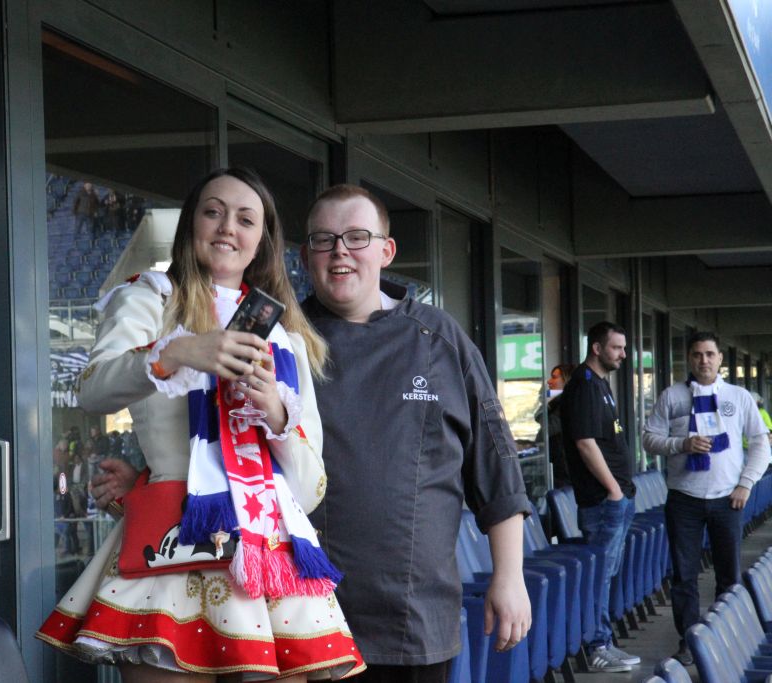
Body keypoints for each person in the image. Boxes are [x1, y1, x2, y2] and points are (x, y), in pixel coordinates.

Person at [93, 184, 532, 682]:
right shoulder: (278, 333)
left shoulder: (439, 338)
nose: (340, 252)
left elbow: (495, 467)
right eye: (324, 240)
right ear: (304, 257)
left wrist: (510, 575)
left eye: (357, 237)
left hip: (409, 613)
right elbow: (222, 439)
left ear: (386, 251)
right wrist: (152, 480)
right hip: (287, 600)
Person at [37, 168, 363, 681]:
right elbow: (94, 389)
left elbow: (308, 488)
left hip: (270, 552)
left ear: (262, 241)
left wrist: (276, 414)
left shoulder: (289, 337)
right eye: (213, 212)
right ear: (191, 223)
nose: (228, 227)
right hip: (174, 549)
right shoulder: (149, 298)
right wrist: (177, 353)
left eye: (246, 219)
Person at [643, 331, 771, 665]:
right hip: (683, 498)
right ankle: (689, 641)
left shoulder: (738, 397)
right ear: (689, 358)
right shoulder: (672, 396)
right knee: (684, 575)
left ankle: (726, 639)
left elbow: (761, 443)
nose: (704, 360)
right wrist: (681, 444)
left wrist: (746, 484)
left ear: (720, 359)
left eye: (710, 354)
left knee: (728, 574)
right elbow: (649, 439)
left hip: (727, 499)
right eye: (697, 354)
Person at [560, 321, 639, 672]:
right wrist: (613, 490)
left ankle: (604, 640)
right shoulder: (583, 385)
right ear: (596, 348)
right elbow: (585, 443)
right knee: (599, 577)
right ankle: (596, 648)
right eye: (616, 348)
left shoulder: (601, 384)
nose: (623, 354)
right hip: (603, 501)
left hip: (615, 499)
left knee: (607, 575)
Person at [536, 363, 575, 488]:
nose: (549, 381)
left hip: (563, 473)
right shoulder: (558, 403)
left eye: (554, 377)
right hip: (560, 470)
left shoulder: (567, 404)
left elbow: (547, 429)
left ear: (566, 381)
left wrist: (545, 403)